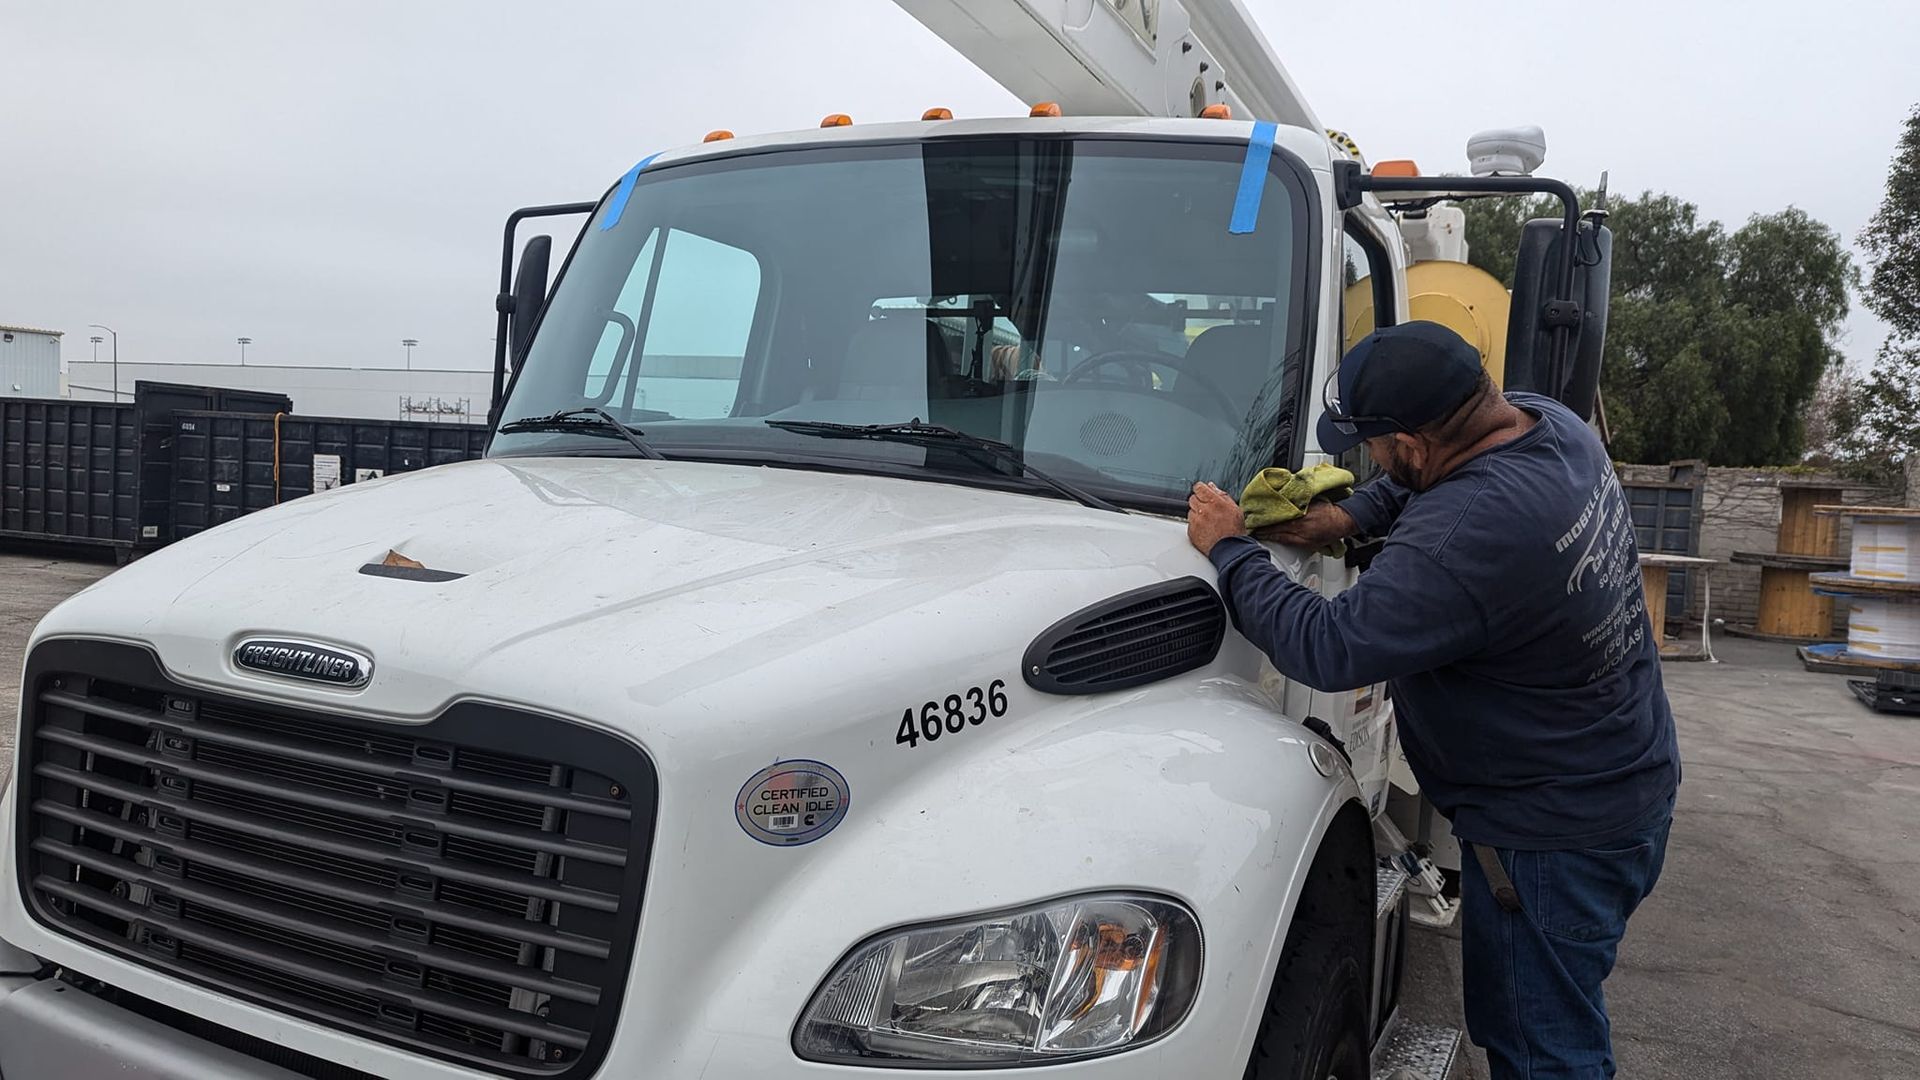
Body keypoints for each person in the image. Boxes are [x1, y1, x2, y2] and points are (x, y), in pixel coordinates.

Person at [1185, 321, 1680, 1080]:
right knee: (1558, 1004)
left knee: (1544, 1048)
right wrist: (1350, 516)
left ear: (1414, 443)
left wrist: (1231, 549)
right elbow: (1421, 482)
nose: (1372, 460)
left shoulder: (1468, 533)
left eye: (1376, 445)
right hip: (1621, 781)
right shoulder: (1548, 424)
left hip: (1551, 835)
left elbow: (1330, 644)